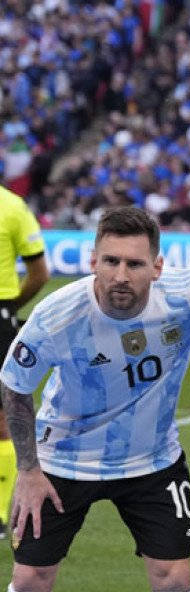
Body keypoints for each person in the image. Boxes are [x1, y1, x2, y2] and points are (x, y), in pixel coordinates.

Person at [0, 206, 190, 592]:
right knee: (31, 577)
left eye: (134, 264)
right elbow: (14, 385)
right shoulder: (58, 315)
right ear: (92, 259)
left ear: (157, 267)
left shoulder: (188, 292)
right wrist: (29, 471)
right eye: (110, 261)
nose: (121, 274)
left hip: (151, 461)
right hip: (63, 459)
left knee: (173, 577)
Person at [0, 186, 48, 535]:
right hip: (1, 314)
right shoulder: (12, 205)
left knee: (4, 417)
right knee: (3, 418)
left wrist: (10, 307)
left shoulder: (11, 206)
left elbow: (39, 272)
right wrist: (12, 308)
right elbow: (40, 273)